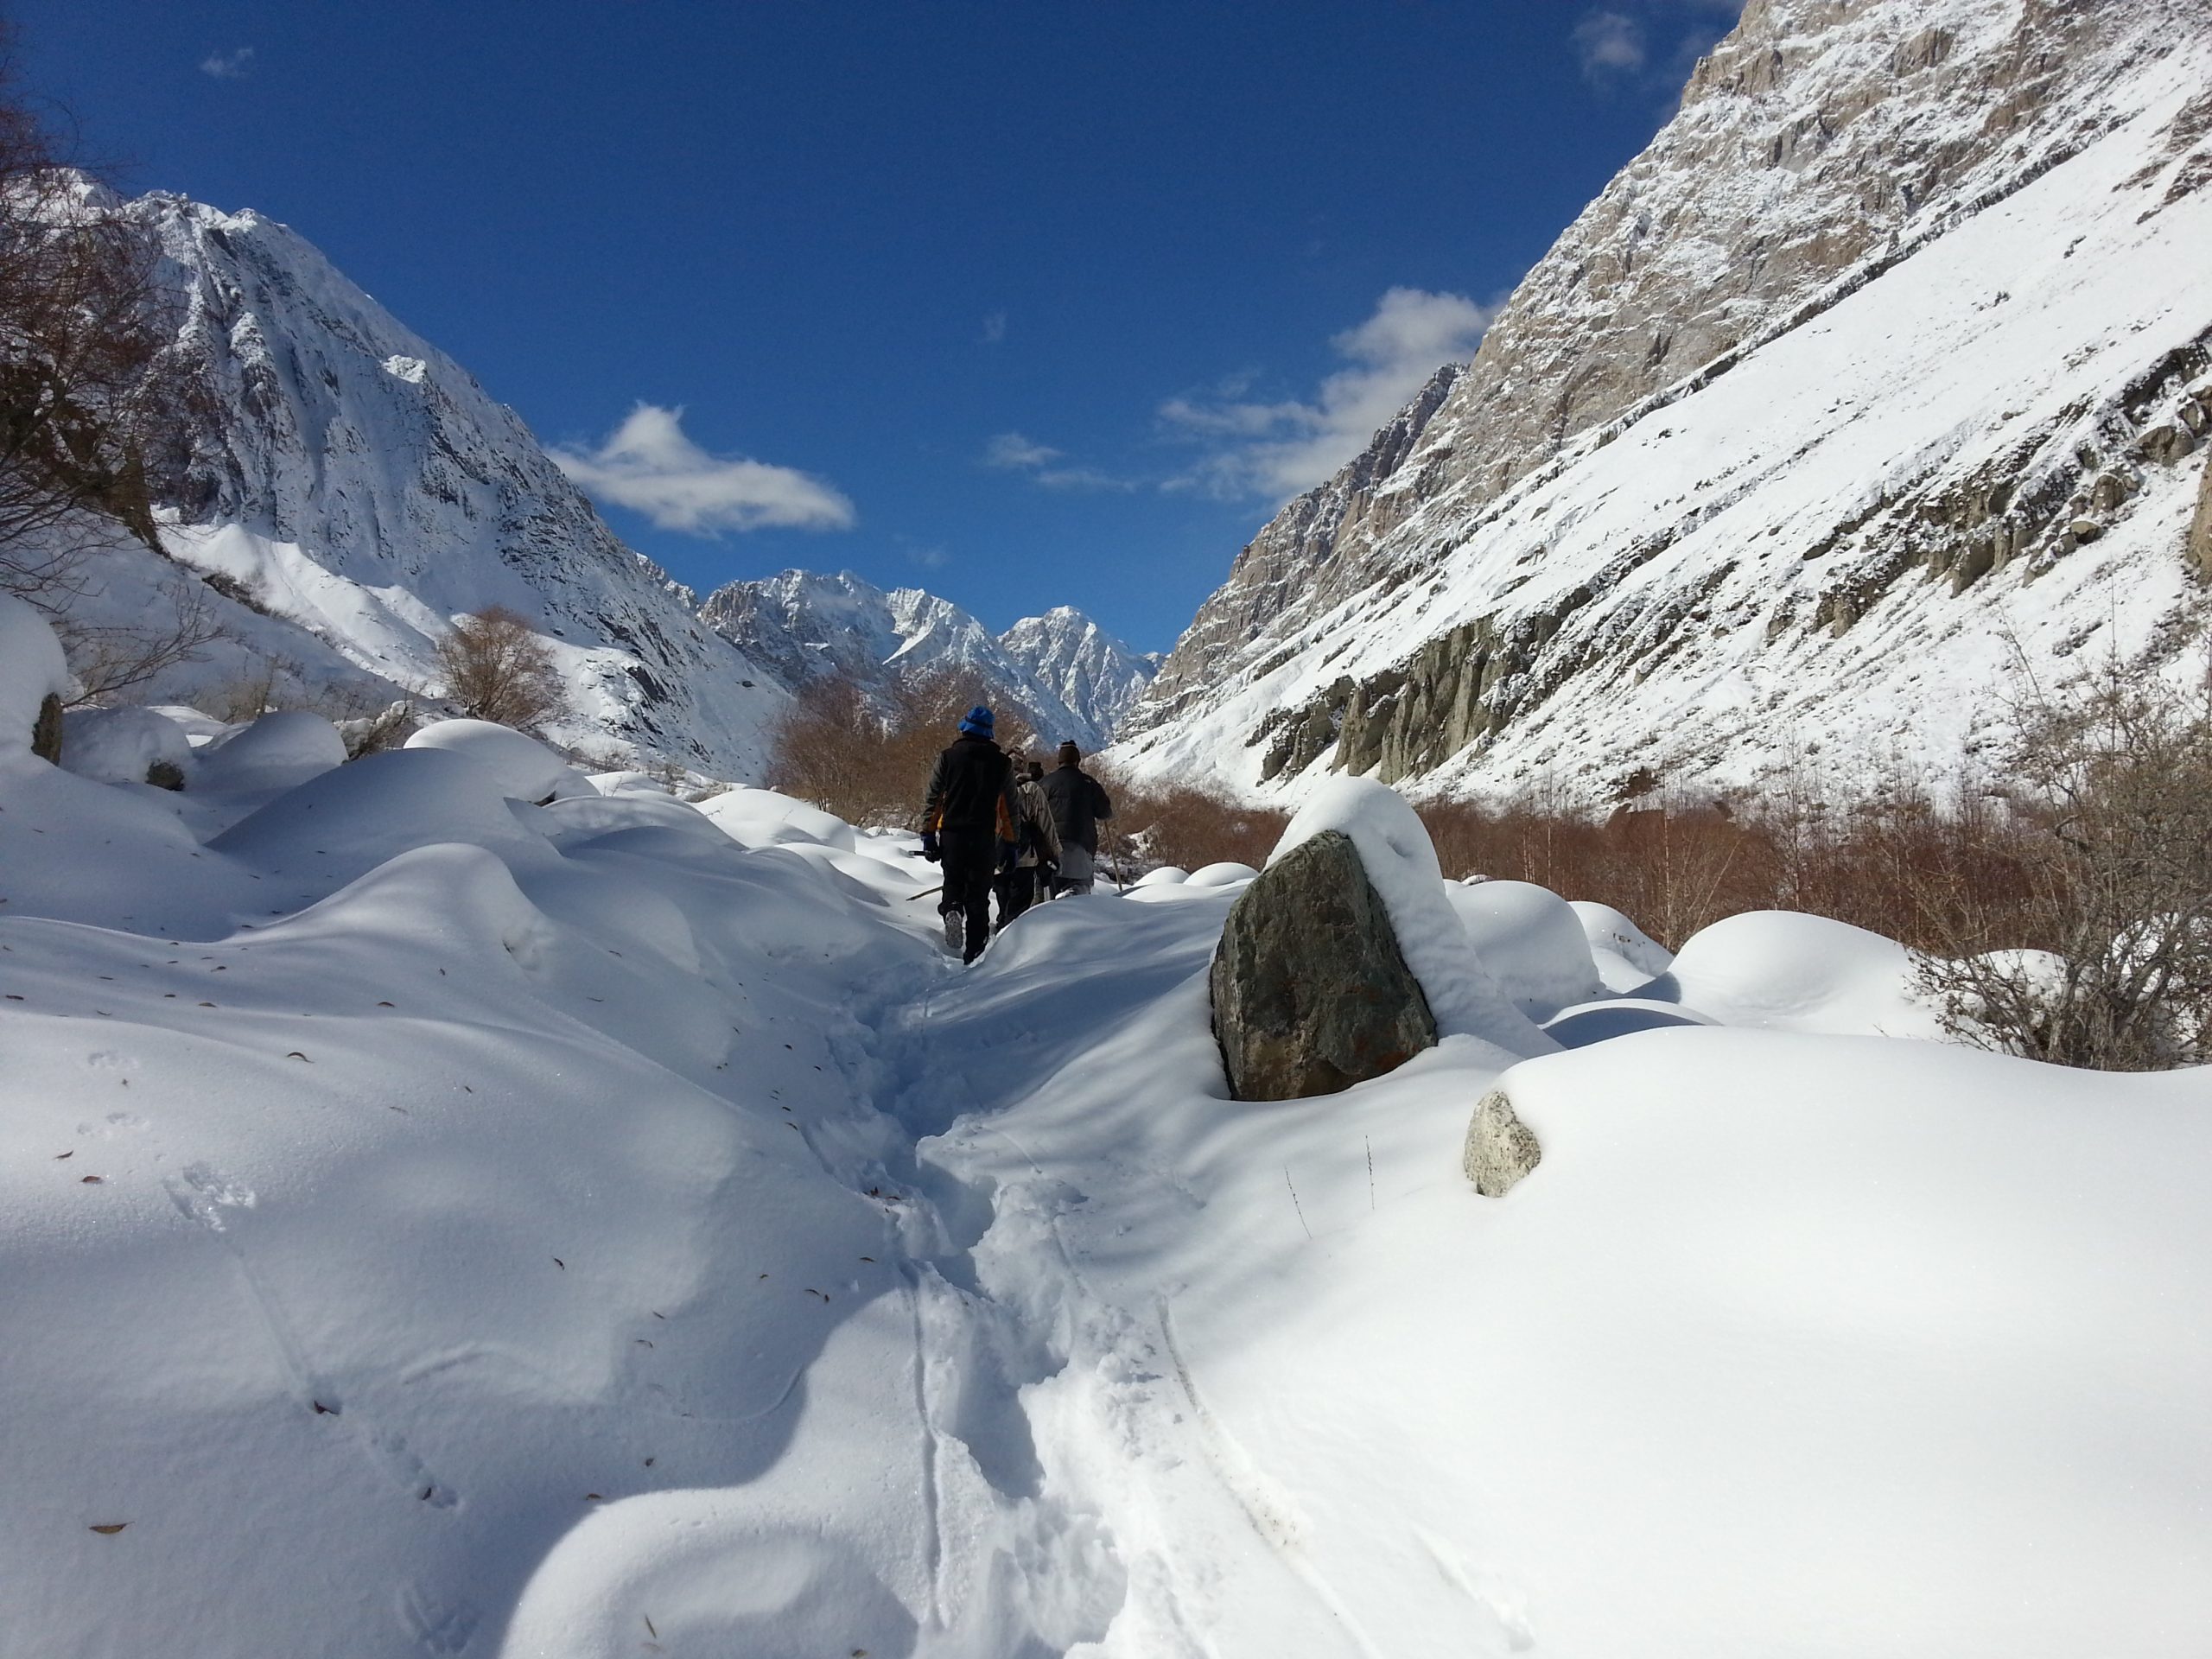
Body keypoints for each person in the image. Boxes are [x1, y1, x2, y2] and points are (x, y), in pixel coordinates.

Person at [919, 705, 1019, 963]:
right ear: (989, 732)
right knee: (978, 896)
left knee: (953, 881)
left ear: (964, 727)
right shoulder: (1002, 763)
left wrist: (928, 833)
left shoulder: (948, 757)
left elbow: (934, 798)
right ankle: (974, 954)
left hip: (952, 833)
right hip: (985, 837)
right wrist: (1011, 843)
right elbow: (1009, 808)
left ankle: (952, 908)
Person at [995, 758, 1061, 931]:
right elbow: (1045, 824)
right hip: (1024, 857)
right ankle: (1010, 937)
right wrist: (1053, 854)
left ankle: (1000, 928)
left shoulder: (993, 785)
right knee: (1019, 904)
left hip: (997, 855)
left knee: (1003, 897)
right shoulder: (1031, 790)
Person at [1040, 740, 1114, 896]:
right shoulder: (1089, 783)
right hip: (1082, 845)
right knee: (1079, 894)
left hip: (1050, 848)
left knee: (1051, 896)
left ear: (1059, 760)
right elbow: (1105, 812)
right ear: (1077, 761)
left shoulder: (1045, 783)